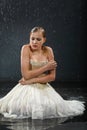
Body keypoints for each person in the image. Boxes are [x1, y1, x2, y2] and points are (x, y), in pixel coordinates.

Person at [0, 26, 85, 119]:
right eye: (32, 39)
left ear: (44, 40)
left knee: (50, 107)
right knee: (20, 106)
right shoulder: (26, 48)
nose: (34, 42)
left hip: (42, 86)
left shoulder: (48, 50)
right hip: (27, 87)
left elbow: (52, 77)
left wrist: (31, 80)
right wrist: (45, 67)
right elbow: (26, 75)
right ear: (29, 37)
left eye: (38, 39)